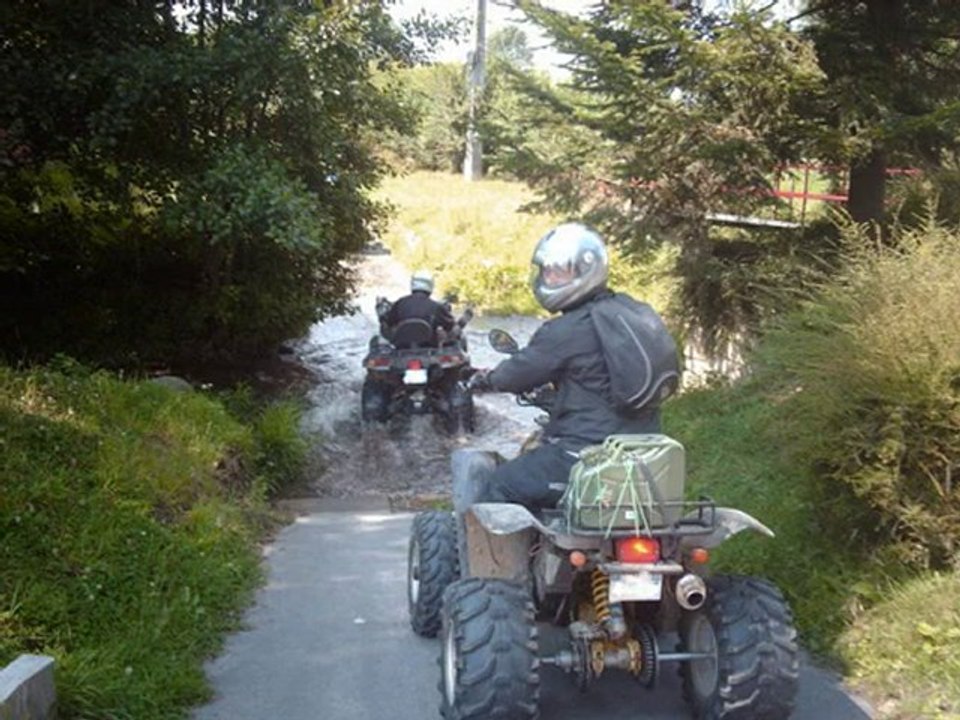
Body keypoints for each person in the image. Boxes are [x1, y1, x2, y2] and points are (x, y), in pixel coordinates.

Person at [469, 223, 672, 511]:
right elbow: (596, 376)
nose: (550, 278)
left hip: (582, 454)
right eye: (547, 271)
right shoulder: (631, 312)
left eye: (560, 271)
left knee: (500, 485)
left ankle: (496, 558)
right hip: (643, 454)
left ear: (585, 271)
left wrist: (488, 380)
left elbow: (518, 373)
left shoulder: (566, 330)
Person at [379, 270, 455, 349]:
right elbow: (449, 325)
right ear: (430, 285)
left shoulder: (400, 303)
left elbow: (389, 322)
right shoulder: (436, 306)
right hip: (429, 348)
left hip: (401, 347)